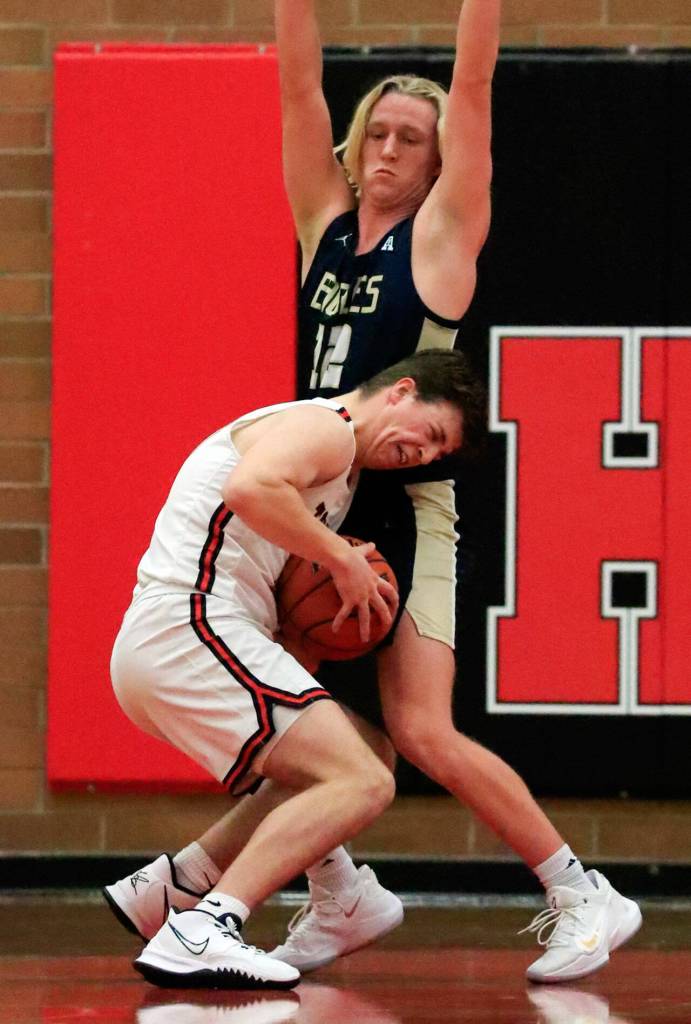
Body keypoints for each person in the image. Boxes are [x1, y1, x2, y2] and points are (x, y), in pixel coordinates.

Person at [106, 0, 642, 986]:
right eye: (380, 132)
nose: (392, 148)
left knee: (418, 732)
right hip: (326, 500)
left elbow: (472, 83)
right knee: (302, 732)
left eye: (412, 138)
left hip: (413, 509)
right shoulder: (327, 225)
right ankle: (310, 891)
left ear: (441, 164)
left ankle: (580, 890)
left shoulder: (440, 239)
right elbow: (296, 86)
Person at [107, 349, 482, 989]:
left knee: (363, 753)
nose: (423, 456)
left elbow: (283, 608)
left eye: (435, 457)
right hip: (189, 623)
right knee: (361, 780)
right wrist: (342, 560)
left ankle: (188, 884)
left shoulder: (335, 482)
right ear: (403, 392)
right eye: (432, 434)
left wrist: (330, 606)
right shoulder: (328, 427)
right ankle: (204, 926)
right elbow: (248, 488)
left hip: (185, 639)